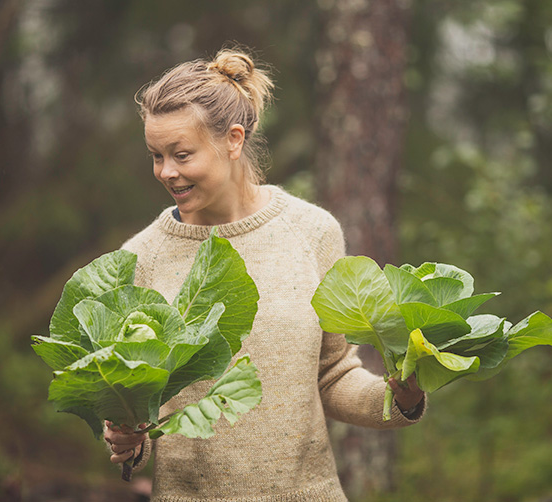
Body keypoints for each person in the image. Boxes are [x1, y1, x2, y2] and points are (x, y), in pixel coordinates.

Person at [103, 46, 425, 501]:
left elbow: (332, 375)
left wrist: (401, 399)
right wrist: (126, 439)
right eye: (156, 156)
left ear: (233, 139)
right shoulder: (141, 258)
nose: (167, 172)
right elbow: (133, 405)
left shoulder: (312, 233)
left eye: (182, 154)